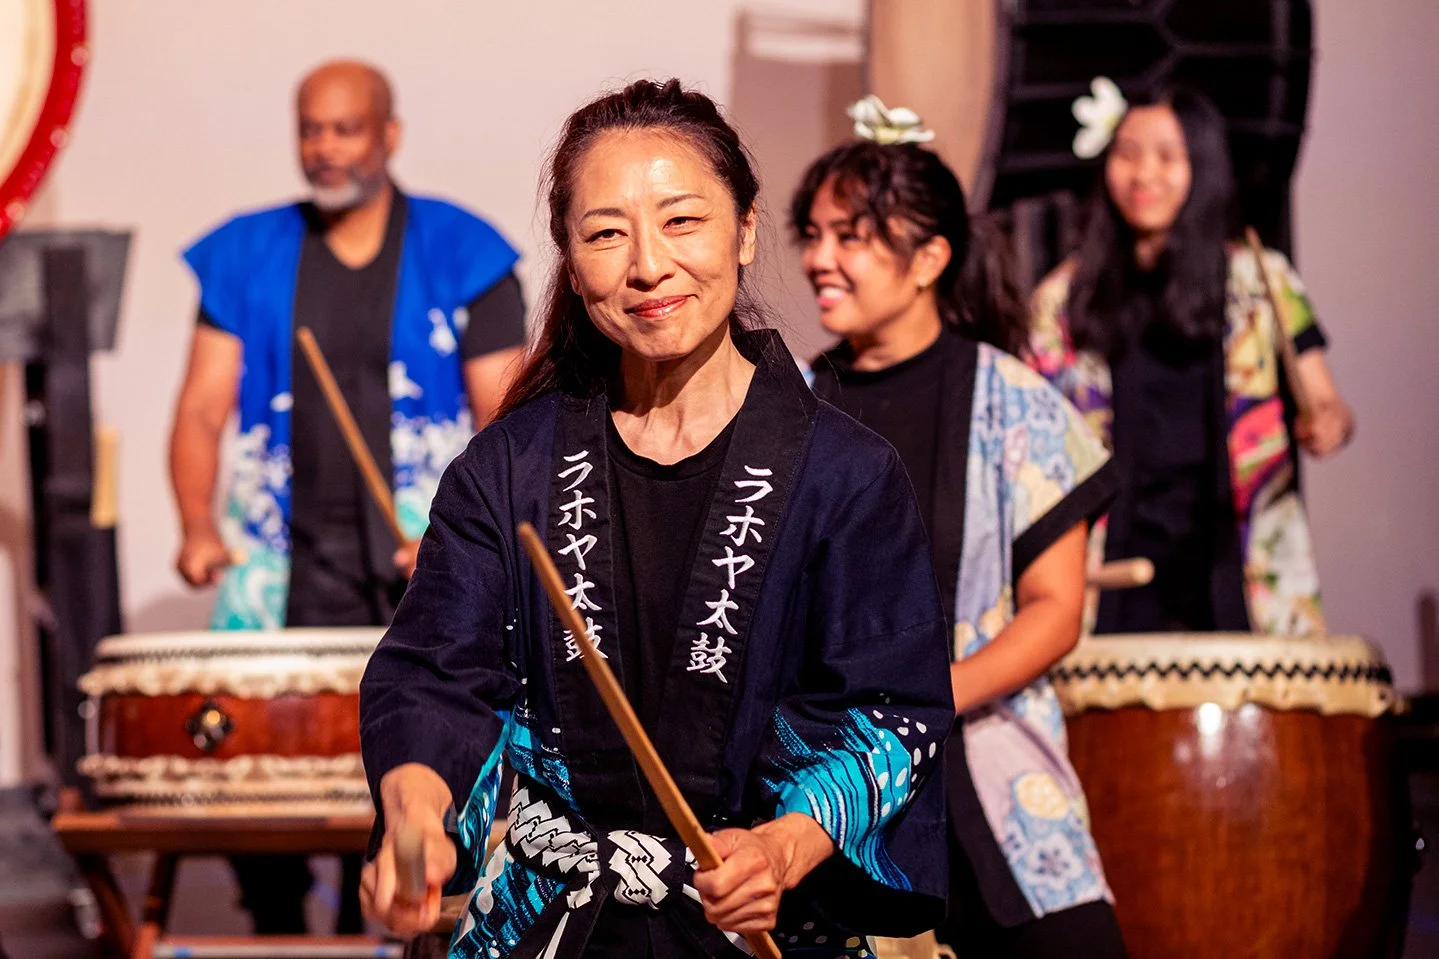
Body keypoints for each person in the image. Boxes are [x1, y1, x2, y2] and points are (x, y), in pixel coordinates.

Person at [359, 78, 954, 958]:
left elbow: (886, 707)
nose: (647, 266)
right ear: (569, 252)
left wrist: (781, 844)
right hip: (551, 924)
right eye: (605, 234)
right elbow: (435, 678)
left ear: (745, 229)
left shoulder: (847, 474)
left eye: (682, 221)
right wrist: (415, 815)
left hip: (757, 925)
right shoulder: (506, 468)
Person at [169, 60, 527, 935]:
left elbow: (508, 417)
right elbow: (202, 407)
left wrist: (463, 534)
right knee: (272, 780)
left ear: (388, 135)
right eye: (310, 129)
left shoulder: (463, 250)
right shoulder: (247, 251)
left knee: (432, 756)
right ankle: (279, 926)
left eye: (346, 128)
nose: (325, 148)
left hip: (419, 562)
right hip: (285, 558)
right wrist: (194, 524)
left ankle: (419, 922)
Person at [796, 99, 1127, 958]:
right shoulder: (786, 409)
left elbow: (1054, 611)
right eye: (813, 233)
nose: (817, 259)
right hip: (824, 781)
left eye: (850, 237)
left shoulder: (1015, 404)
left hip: (987, 762)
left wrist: (922, 701)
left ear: (929, 258)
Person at [1028, 85, 1355, 636]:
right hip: (1111, 561)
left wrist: (1327, 423)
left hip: (1238, 556)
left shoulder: (1259, 278)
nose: (1143, 174)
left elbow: (1327, 401)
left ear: (1200, 166)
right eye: (1127, 153)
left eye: (1166, 156)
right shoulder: (1062, 298)